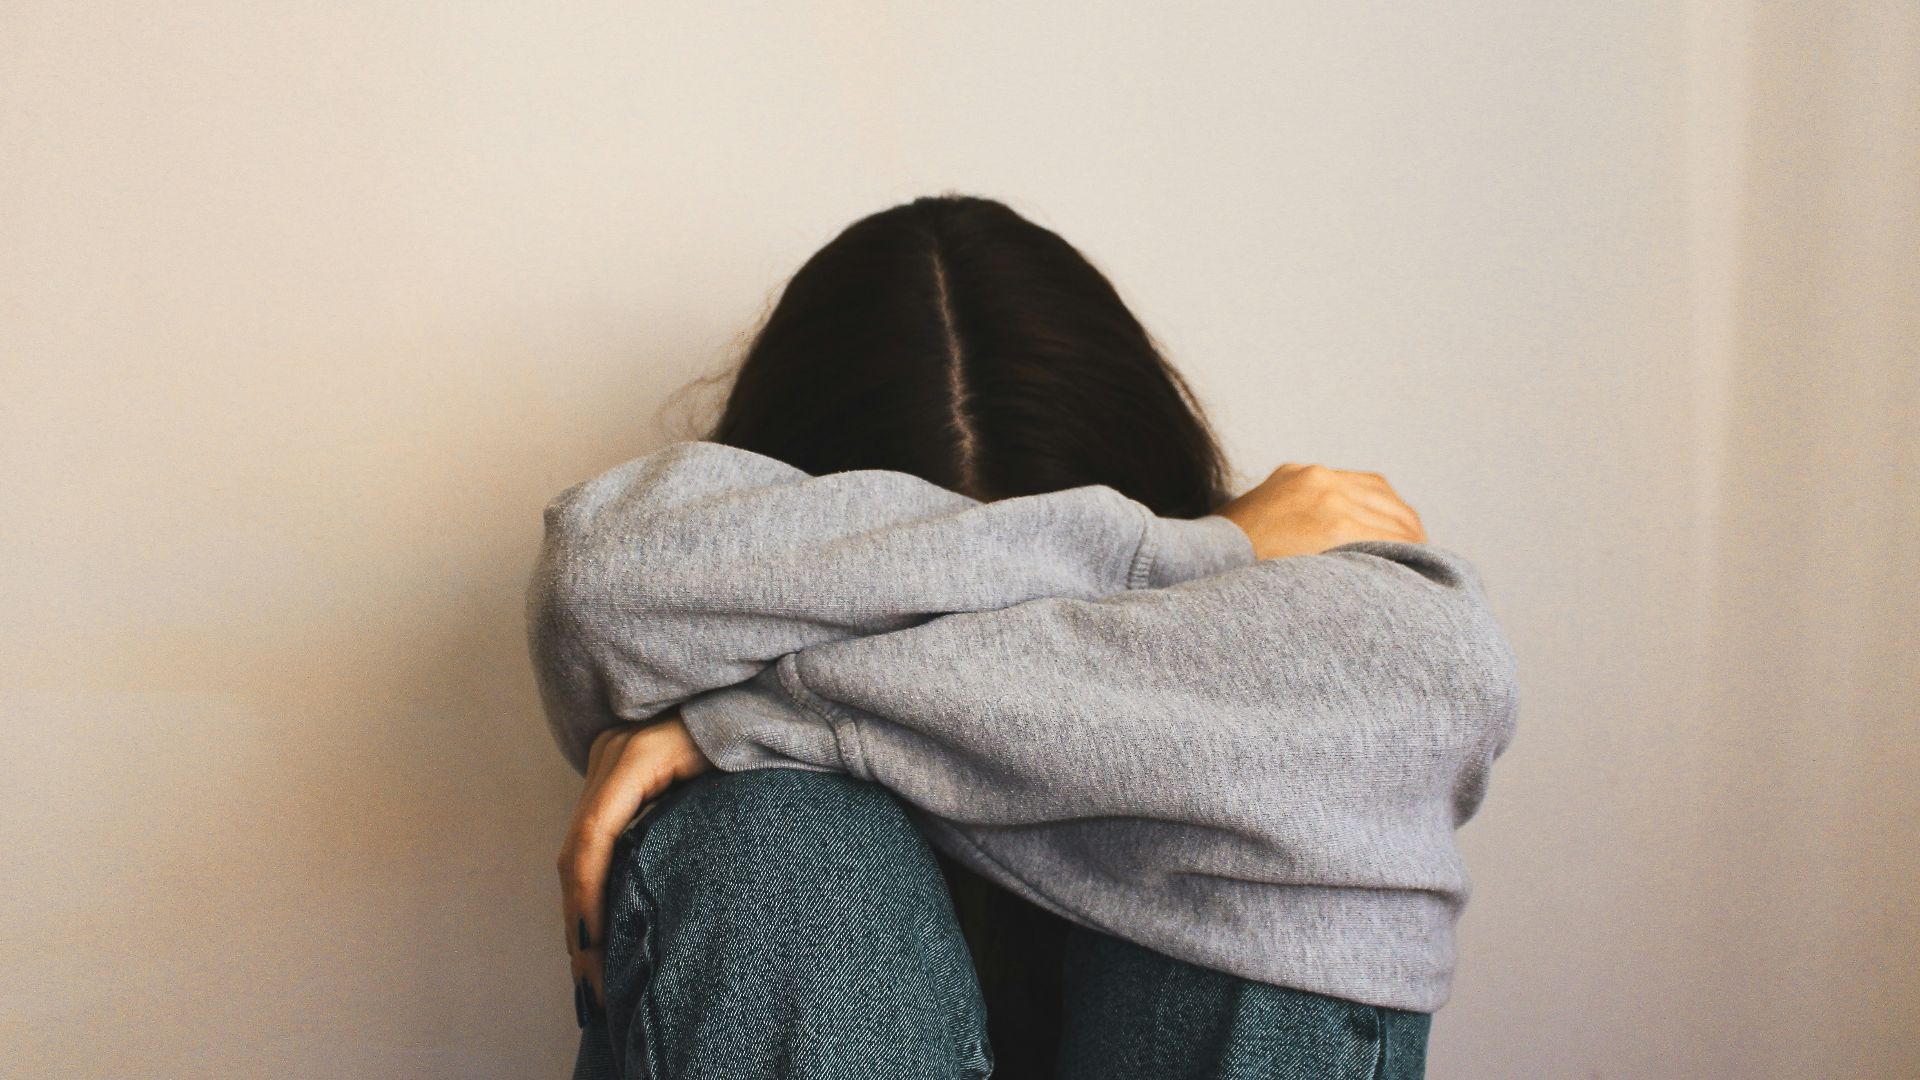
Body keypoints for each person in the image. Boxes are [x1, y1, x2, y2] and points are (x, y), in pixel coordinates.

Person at [525, 194, 1519, 1080]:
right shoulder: (1208, 557)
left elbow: (1440, 678)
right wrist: (1186, 557)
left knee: (1289, 799)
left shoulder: (1279, 623)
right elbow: (600, 584)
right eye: (929, 594)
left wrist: (757, 711)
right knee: (766, 832)